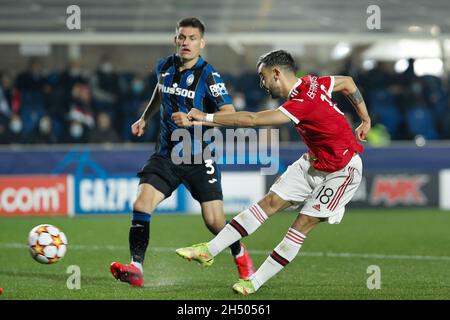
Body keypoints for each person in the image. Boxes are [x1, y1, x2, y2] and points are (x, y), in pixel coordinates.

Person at [176, 49, 371, 295]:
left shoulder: (302, 103)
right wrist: (365, 119)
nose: (262, 83)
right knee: (270, 202)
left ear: (277, 73)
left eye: (263, 76)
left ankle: (253, 282)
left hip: (342, 171)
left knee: (301, 223)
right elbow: (348, 83)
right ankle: (209, 251)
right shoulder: (313, 83)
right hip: (313, 163)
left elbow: (251, 120)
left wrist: (204, 118)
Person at [109, 17, 255, 287]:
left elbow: (229, 114)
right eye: (182, 37)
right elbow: (160, 90)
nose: (186, 43)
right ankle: (136, 267)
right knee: (141, 204)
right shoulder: (164, 66)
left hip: (199, 157)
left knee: (214, 222)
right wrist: (145, 117)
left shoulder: (208, 75)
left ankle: (241, 255)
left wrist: (194, 118)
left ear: (202, 42)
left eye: (192, 38)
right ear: (175, 39)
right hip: (166, 155)